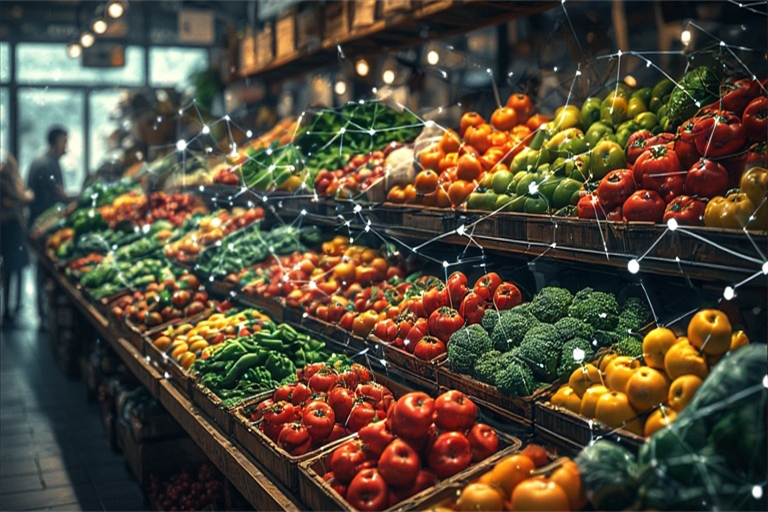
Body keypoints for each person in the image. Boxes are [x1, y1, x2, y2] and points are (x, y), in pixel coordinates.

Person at [27, 126, 72, 322]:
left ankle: (44, 313)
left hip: (41, 224)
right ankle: (43, 314)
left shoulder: (45, 162)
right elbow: (58, 194)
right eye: (64, 142)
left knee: (42, 268)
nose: (66, 147)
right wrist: (77, 198)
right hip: (43, 227)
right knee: (44, 268)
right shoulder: (46, 165)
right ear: (55, 143)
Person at [1, 154, 34, 326]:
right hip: (11, 229)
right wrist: (26, 195)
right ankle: (9, 308)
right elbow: (23, 198)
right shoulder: (8, 184)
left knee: (15, 268)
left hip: (12, 230)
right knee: (12, 268)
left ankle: (13, 306)